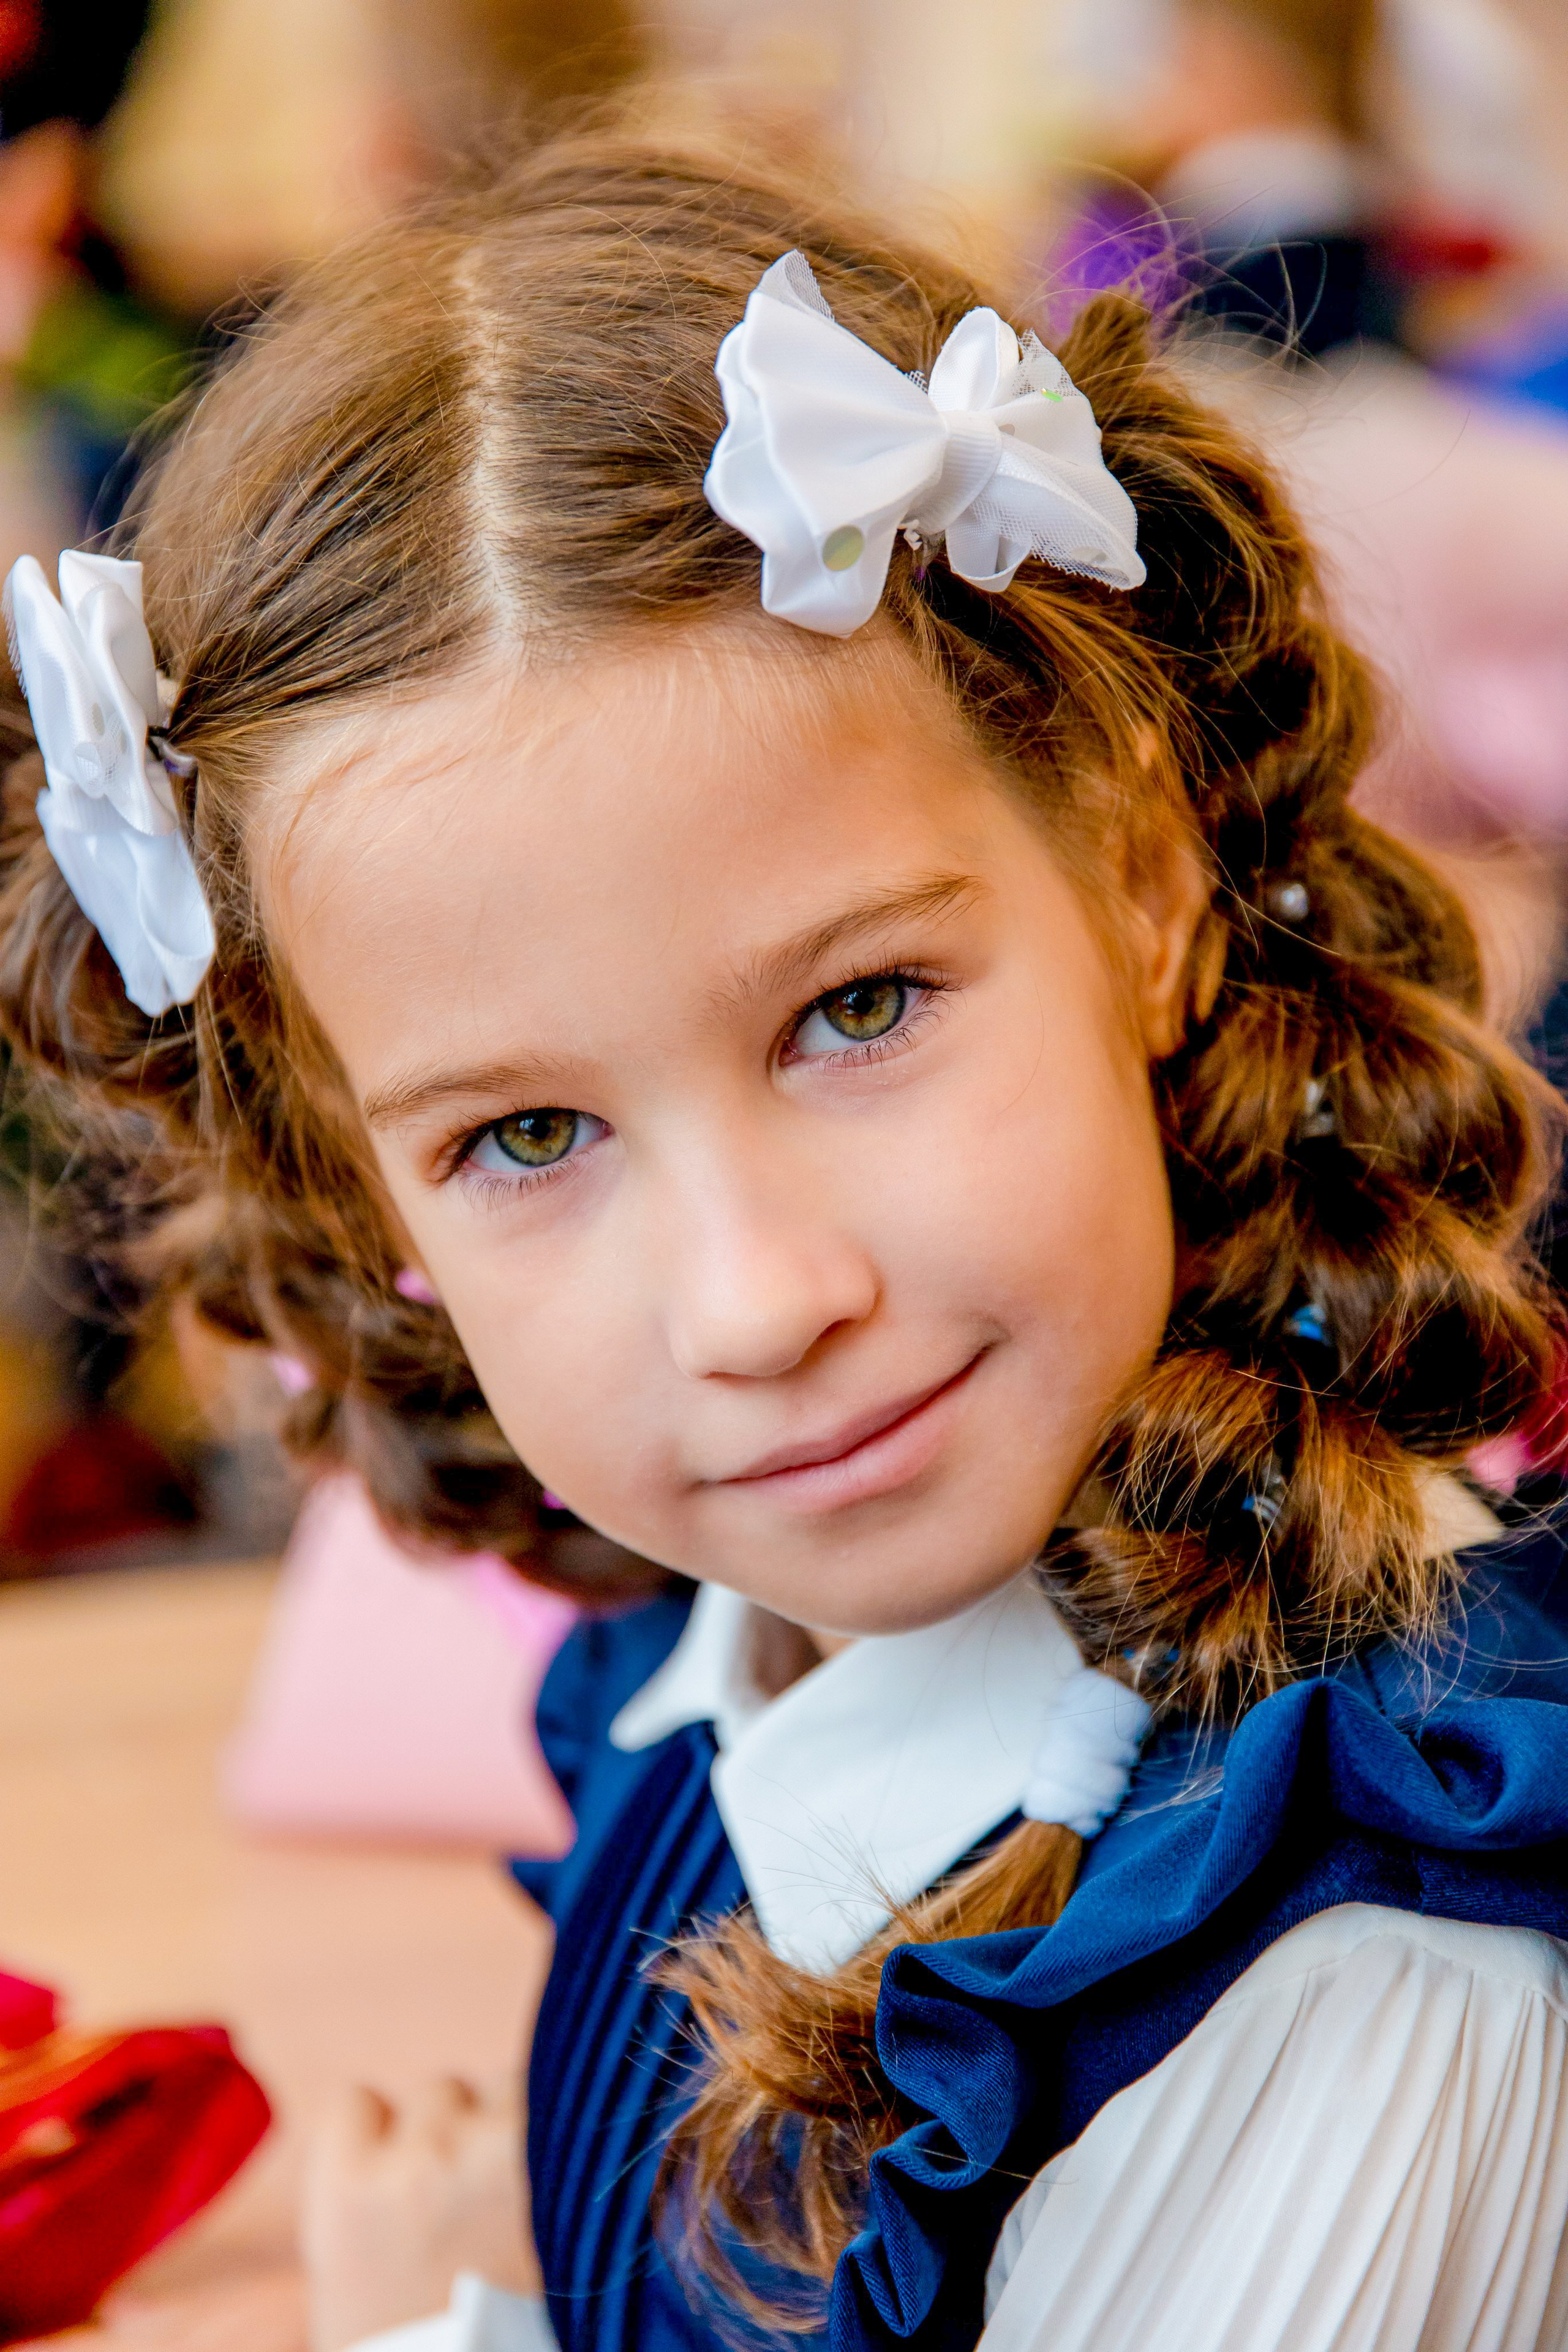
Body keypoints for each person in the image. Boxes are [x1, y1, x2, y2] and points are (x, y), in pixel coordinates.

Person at [4, 130, 1568, 2352]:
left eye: (859, 1011)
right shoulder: (713, 1666)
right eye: (528, 1132)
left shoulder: (1353, 1987)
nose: (760, 1300)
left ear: (1136, 888)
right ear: (366, 1196)